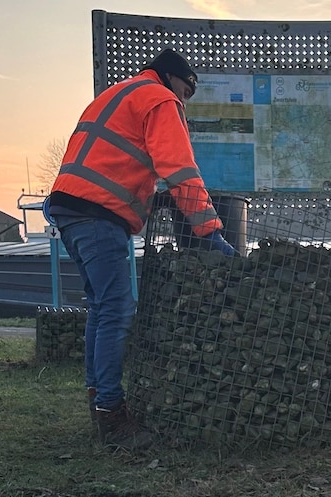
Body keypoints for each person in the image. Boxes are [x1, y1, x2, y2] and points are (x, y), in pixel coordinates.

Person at [47, 48, 236, 450]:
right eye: (186, 91)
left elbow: (115, 160)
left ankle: (99, 401)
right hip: (99, 216)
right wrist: (209, 232)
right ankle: (113, 417)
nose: (184, 102)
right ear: (171, 79)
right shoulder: (160, 99)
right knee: (117, 309)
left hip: (70, 209)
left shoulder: (117, 94)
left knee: (101, 307)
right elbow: (180, 169)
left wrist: (153, 199)